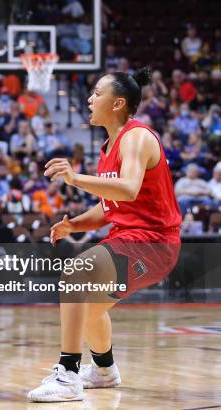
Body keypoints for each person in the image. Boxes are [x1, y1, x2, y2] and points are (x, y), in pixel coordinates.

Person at [27, 67, 181, 402]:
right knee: (88, 309)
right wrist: (76, 224)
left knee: (76, 273)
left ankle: (68, 375)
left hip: (154, 242)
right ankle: (104, 371)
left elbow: (127, 189)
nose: (89, 98)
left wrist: (76, 178)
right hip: (132, 238)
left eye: (97, 93)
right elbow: (110, 206)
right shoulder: (110, 146)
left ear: (118, 103)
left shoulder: (137, 137)